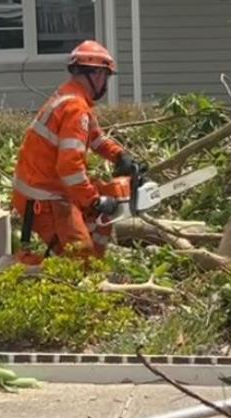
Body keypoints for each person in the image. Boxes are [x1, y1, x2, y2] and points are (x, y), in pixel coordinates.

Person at [11, 40, 145, 264]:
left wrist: (120, 156)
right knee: (80, 259)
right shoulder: (75, 108)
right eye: (106, 77)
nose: (105, 83)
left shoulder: (72, 98)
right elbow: (69, 168)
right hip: (45, 199)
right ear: (98, 75)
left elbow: (96, 138)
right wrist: (94, 200)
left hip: (48, 189)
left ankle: (91, 264)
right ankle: (80, 277)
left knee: (104, 210)